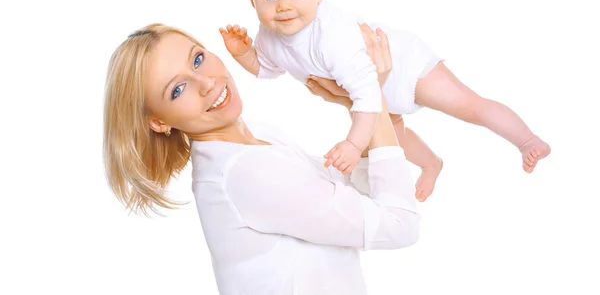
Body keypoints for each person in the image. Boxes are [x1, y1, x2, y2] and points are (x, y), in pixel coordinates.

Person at [221, 0, 551, 202]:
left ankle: (527, 140)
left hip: (403, 67)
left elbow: (366, 95)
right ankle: (431, 164)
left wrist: (353, 144)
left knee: (467, 105)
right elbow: (268, 69)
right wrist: (244, 54)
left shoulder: (331, 37)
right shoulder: (270, 34)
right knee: (394, 136)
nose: (284, 6)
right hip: (368, 90)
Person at [103, 22, 419, 295]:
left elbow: (357, 196)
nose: (206, 83)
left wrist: (358, 104)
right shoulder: (246, 173)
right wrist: (370, 91)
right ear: (159, 122)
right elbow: (399, 224)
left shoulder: (256, 139)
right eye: (177, 89)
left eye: (198, 59)